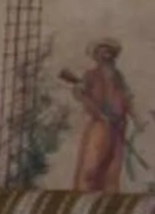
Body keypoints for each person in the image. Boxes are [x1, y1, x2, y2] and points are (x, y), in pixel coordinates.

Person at [58, 39, 143, 193]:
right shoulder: (91, 75)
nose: (107, 55)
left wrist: (136, 119)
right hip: (100, 125)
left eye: (109, 52)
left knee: (112, 169)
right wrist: (99, 112)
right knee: (91, 166)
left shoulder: (118, 77)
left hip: (118, 125)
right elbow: (79, 94)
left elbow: (127, 98)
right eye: (102, 52)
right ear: (96, 56)